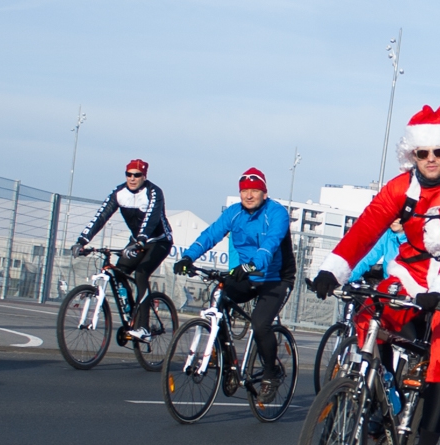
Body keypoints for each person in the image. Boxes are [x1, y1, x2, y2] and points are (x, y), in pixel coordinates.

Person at [307, 105, 440, 445]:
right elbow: (367, 226)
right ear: (411, 155)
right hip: (411, 272)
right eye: (422, 153)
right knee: (369, 312)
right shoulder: (400, 188)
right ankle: (388, 397)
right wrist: (334, 269)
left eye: (439, 152)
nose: (430, 160)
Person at [175, 168, 294, 401]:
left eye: (254, 190)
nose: (249, 195)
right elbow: (211, 235)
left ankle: (272, 374)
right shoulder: (234, 213)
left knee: (260, 326)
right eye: (244, 191)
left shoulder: (276, 213)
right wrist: (188, 257)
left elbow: (269, 245)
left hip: (275, 278)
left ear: (264, 192)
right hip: (247, 275)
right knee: (218, 302)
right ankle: (229, 365)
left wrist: (250, 266)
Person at [74, 158, 172, 340]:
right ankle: (133, 313)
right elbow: (101, 216)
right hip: (137, 241)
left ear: (144, 176)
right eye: (129, 174)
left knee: (141, 274)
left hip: (159, 240)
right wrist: (82, 240)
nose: (132, 178)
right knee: (119, 272)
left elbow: (151, 219)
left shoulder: (154, 192)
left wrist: (141, 241)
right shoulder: (119, 193)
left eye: (137, 175)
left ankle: (143, 328)